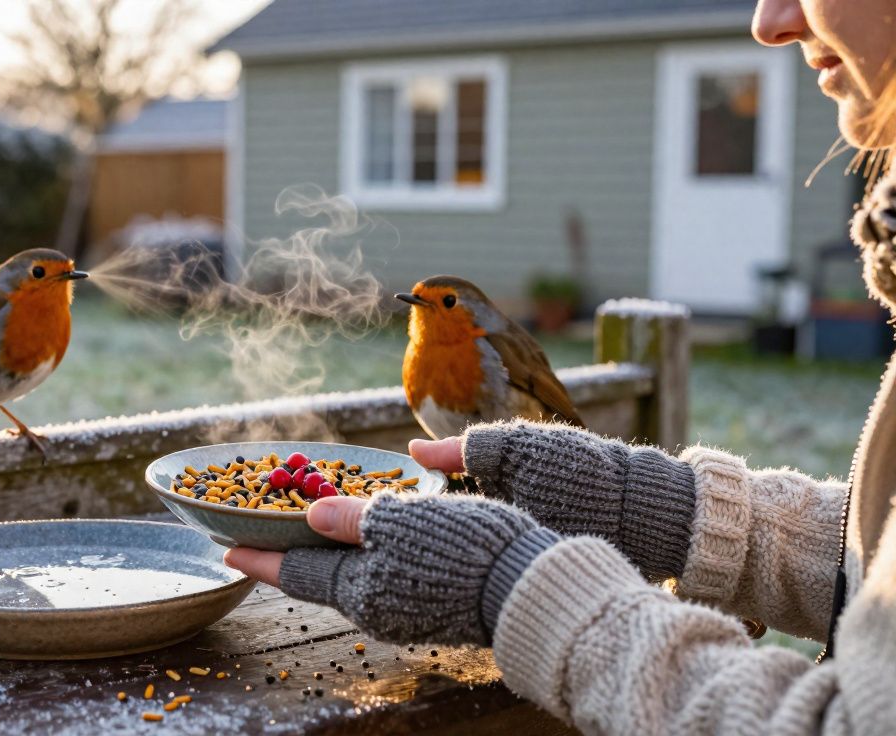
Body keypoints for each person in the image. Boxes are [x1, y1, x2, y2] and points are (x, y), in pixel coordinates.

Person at [223, 0, 896, 732]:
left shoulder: (489, 344)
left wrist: (518, 591)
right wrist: (668, 510)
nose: (769, 20)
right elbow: (876, 554)